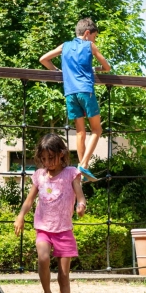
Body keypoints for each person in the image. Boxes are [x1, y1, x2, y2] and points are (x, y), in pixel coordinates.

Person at [14, 134, 87, 293]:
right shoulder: (39, 175)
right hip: (44, 228)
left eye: (51, 158)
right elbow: (29, 200)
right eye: (44, 159)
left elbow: (80, 194)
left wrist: (81, 204)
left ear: (62, 154)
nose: (47, 162)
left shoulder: (71, 173)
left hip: (64, 230)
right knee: (43, 258)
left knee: (63, 277)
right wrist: (21, 216)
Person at [39, 18, 111, 181]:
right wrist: (96, 68)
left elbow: (43, 59)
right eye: (95, 36)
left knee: (80, 132)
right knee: (97, 130)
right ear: (87, 33)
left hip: (70, 93)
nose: (95, 40)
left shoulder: (65, 46)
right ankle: (84, 165)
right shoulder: (89, 46)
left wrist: (58, 72)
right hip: (86, 90)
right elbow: (107, 67)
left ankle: (81, 169)